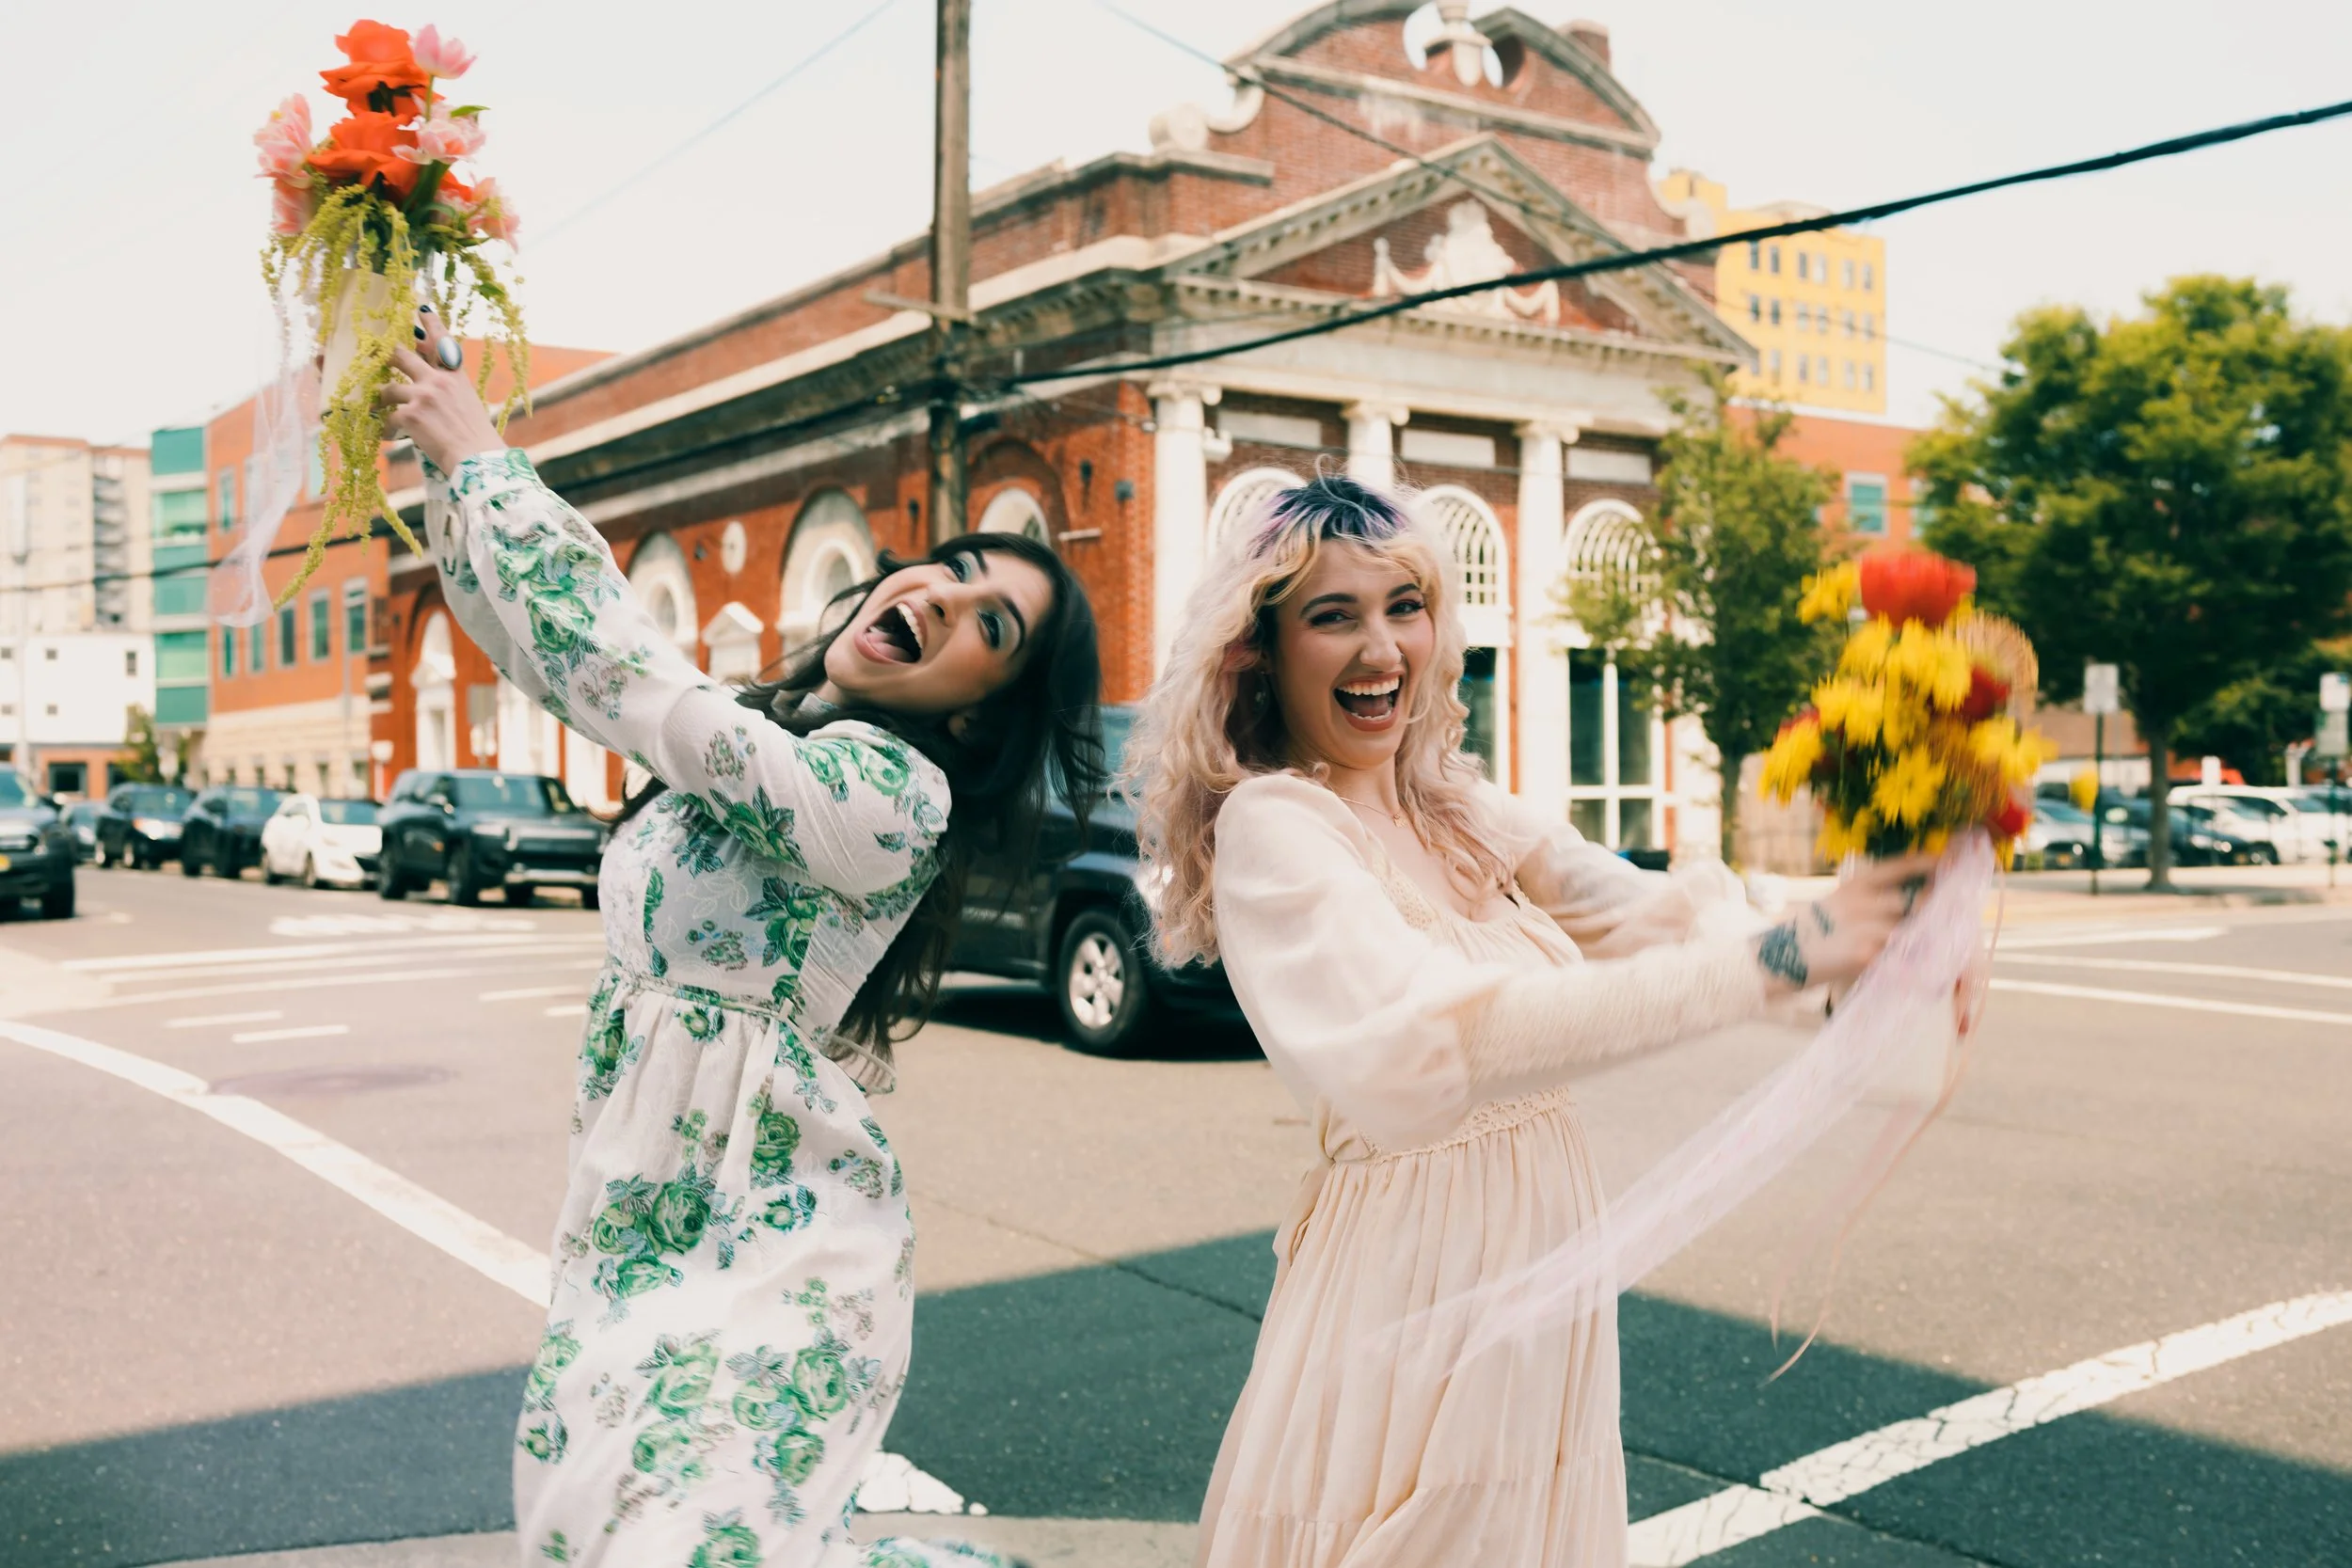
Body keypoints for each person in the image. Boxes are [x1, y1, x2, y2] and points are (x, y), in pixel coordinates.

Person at [381, 315, 1104, 1568]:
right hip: (635, 1200)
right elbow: (544, 658)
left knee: (677, 1544)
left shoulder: (891, 797)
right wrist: (452, 464)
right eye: (949, 565)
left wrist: (493, 459)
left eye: (991, 622)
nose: (940, 593)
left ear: (985, 717)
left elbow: (633, 678)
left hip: (772, 1230)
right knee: (584, 1519)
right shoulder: (779, 727)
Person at [1124, 475, 1933, 1568]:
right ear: (1256, 652)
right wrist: (1780, 958)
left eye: (1404, 604)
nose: (1381, 647)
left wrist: (1878, 942)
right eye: (1333, 614)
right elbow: (1427, 1048)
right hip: (1410, 1276)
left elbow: (1653, 914)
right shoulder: (1279, 824)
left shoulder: (1450, 802)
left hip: (1536, 1278)